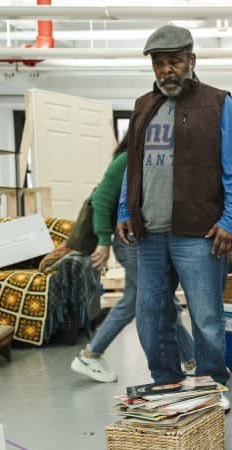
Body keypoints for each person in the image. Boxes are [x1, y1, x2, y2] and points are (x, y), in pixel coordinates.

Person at [116, 24, 232, 412]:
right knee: (151, 318)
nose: (167, 70)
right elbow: (131, 166)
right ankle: (167, 382)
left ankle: (211, 387)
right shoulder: (143, 106)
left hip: (198, 233)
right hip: (149, 233)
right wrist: (125, 209)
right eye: (159, 63)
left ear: (192, 60)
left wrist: (231, 220)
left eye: (174, 61)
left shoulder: (219, 104)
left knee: (207, 318)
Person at [69, 141, 196, 383]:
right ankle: (192, 360)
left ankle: (91, 354)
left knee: (130, 302)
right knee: (163, 301)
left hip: (138, 240)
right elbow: (102, 198)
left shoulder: (148, 158)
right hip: (130, 242)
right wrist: (103, 241)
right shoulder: (128, 157)